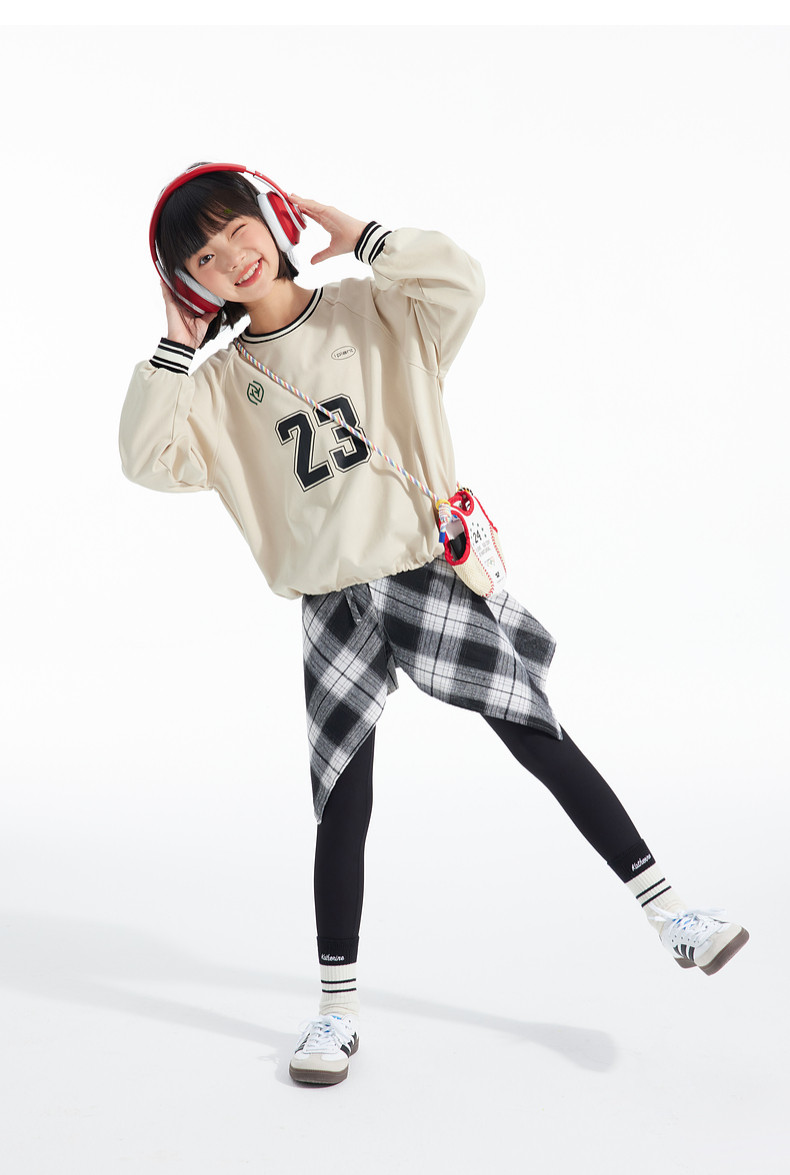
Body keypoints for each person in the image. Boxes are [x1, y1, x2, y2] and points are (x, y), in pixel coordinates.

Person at [119, 162, 749, 1087]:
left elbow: (461, 282)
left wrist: (366, 237)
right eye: (204, 257)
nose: (232, 257)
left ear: (274, 216)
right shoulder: (216, 386)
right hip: (332, 603)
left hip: (423, 570)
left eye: (238, 229)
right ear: (192, 282)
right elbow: (148, 458)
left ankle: (673, 915)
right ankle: (336, 1011)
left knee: (535, 729)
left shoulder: (376, 310)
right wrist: (174, 350)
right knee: (342, 797)